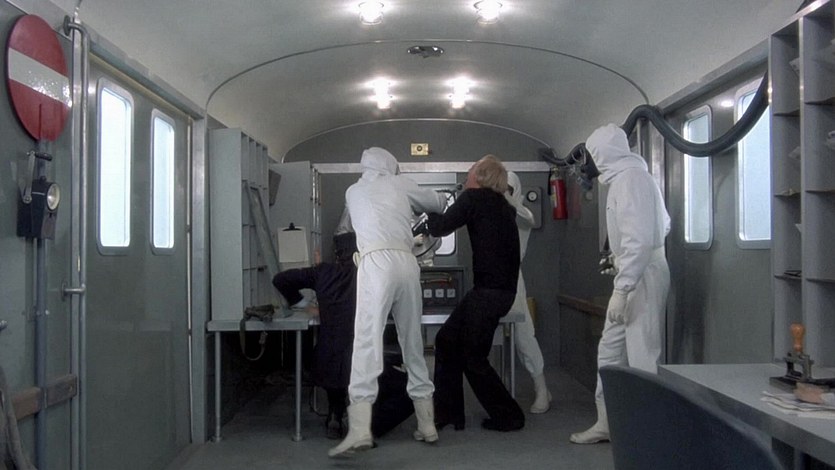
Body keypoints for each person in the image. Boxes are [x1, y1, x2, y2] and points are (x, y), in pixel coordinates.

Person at [329, 147, 447, 457]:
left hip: (374, 262)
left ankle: (360, 429)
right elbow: (438, 202)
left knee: (367, 343)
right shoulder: (401, 183)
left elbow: (348, 228)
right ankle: (427, 424)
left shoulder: (353, 191)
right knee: (413, 344)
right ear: (390, 165)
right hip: (407, 263)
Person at [570, 123, 671, 444]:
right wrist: (619, 261)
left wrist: (623, 287)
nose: (588, 163)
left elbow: (640, 242)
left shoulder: (631, 180)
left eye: (590, 155)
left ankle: (651, 438)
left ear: (603, 154)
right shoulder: (624, 179)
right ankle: (608, 423)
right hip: (633, 272)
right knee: (610, 351)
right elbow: (662, 225)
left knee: (643, 355)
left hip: (642, 277)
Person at [426, 154, 525, 432]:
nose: (466, 175)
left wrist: (430, 205)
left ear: (480, 176)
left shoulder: (473, 199)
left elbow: (440, 228)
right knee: (446, 340)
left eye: (471, 170)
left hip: (487, 294)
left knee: (473, 357)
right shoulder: (504, 205)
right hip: (500, 292)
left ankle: (510, 417)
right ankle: (448, 413)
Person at [505, 171, 552, 414]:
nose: (503, 192)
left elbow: (529, 218)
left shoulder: (521, 212)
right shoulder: (489, 210)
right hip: (487, 277)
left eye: (508, 189)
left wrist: (508, 199)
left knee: (523, 335)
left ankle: (541, 388)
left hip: (512, 278)